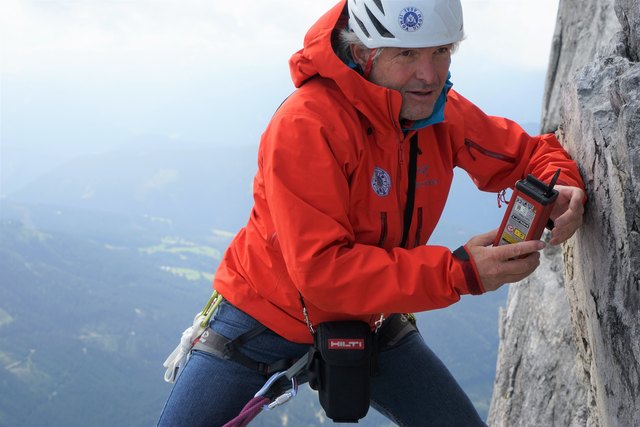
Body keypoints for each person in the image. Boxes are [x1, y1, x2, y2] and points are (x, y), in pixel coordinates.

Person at [158, 0, 586, 425]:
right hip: (263, 318)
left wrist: (563, 184)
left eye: (441, 51)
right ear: (364, 53)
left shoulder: (438, 114)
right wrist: (459, 272)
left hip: (371, 316)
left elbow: (530, 155)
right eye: (407, 54)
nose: (430, 74)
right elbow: (322, 273)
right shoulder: (307, 124)